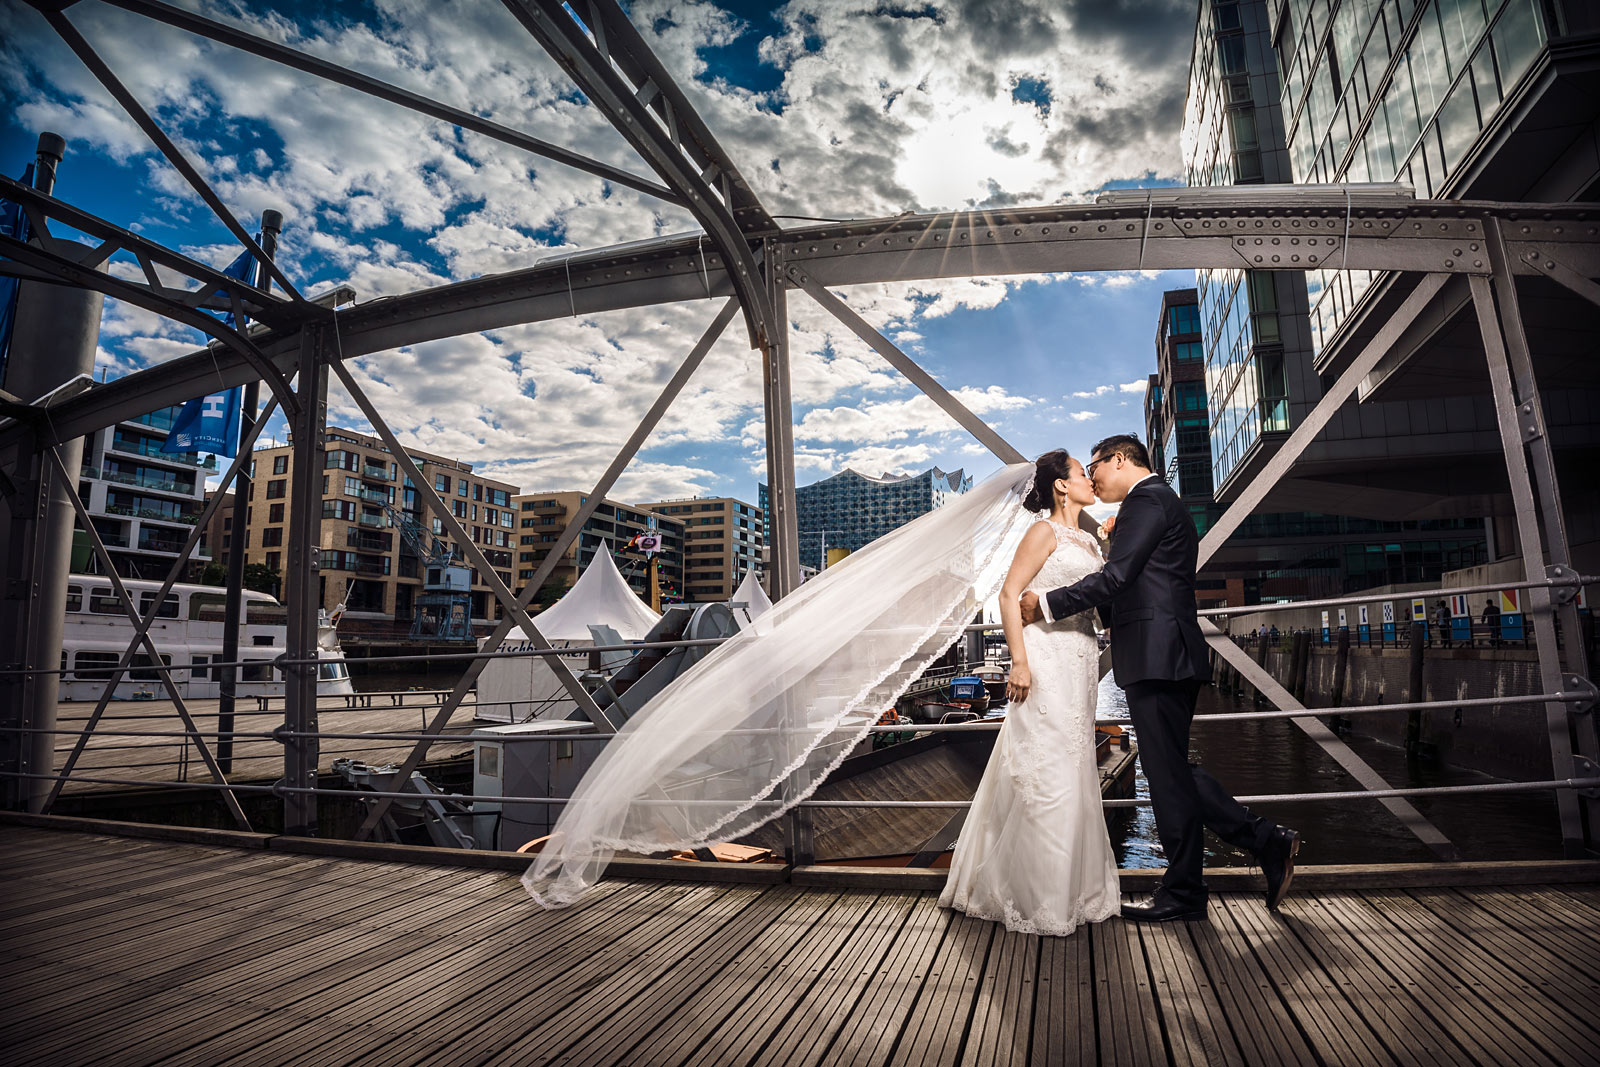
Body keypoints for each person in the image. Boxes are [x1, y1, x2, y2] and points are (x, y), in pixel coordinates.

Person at [1021, 434, 1299, 922]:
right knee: (1169, 772)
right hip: (1163, 653)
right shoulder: (1153, 504)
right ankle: (1203, 879)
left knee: (1168, 773)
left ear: (1120, 460)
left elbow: (1117, 579)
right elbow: (1131, 587)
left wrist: (1044, 604)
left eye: (1096, 465)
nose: (1094, 476)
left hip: (1159, 655)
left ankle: (1252, 848)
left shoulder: (1147, 500)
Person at [938, 450, 1120, 936]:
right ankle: (1039, 895)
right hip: (1044, 659)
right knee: (1047, 771)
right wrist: (1018, 662)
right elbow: (1008, 593)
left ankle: (1076, 891)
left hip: (1080, 659)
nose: (1090, 478)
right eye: (1083, 472)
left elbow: (1098, 606)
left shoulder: (1090, 539)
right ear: (1061, 486)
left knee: (1076, 766)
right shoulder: (1044, 532)